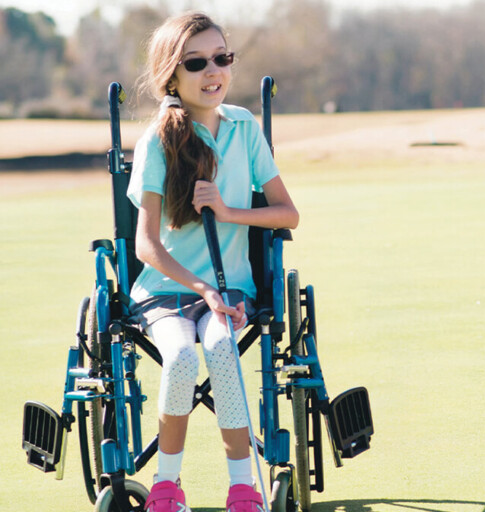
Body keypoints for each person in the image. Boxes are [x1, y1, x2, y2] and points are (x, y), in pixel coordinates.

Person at [128, 12, 299, 512]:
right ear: (172, 76)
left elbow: (288, 212)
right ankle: (166, 486)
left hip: (232, 290)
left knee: (223, 353)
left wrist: (227, 211)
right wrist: (202, 289)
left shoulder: (245, 128)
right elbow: (146, 245)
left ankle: (243, 488)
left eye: (222, 58)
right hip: (166, 291)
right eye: (197, 62)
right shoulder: (157, 142)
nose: (213, 71)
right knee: (181, 359)